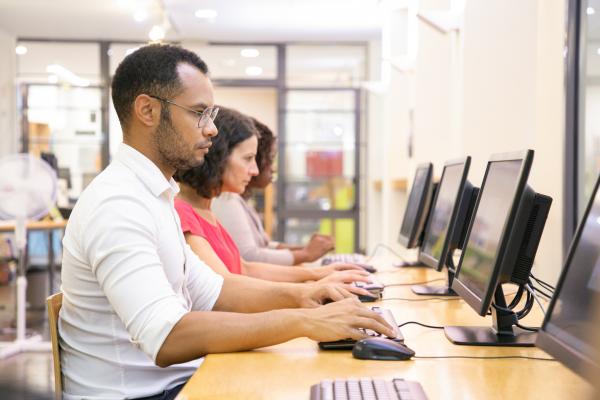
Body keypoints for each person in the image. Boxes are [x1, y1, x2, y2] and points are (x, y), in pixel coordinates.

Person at [58, 42, 394, 400]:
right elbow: (166, 336)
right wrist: (303, 321)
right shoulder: (118, 204)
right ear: (147, 110)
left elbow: (216, 292)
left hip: (173, 385)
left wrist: (306, 295)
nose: (212, 129)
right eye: (199, 113)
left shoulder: (154, 195)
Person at [173, 107, 372, 295]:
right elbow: (226, 289)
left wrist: (319, 274)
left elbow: (246, 269)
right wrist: (310, 290)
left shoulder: (206, 210)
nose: (255, 170)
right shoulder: (185, 212)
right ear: (219, 157)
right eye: (248, 158)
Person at [212, 119, 333, 265]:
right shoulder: (225, 198)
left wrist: (308, 250)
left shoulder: (238, 198)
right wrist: (306, 255)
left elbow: (263, 245)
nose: (273, 168)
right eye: (270, 159)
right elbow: (249, 257)